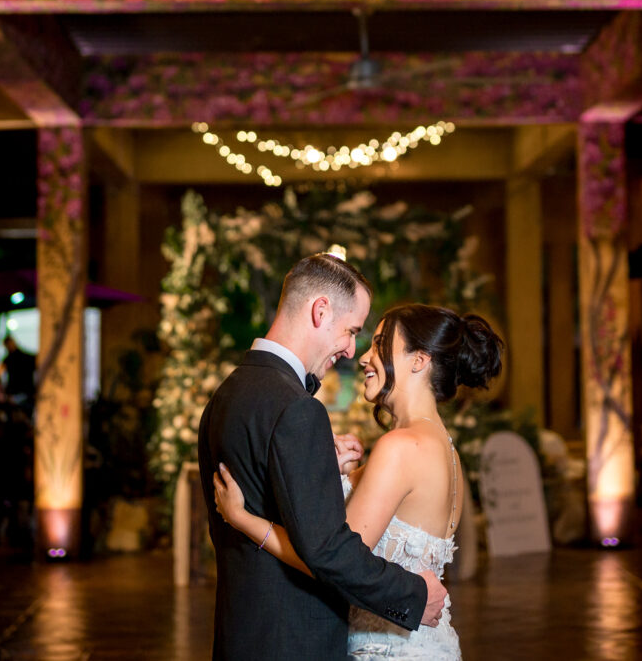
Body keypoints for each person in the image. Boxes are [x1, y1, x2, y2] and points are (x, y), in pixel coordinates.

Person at [215, 303, 504, 661]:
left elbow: (332, 561)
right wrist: (332, 471)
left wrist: (243, 519)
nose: (364, 357)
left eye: (380, 345)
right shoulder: (447, 451)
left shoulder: (400, 448)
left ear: (419, 360)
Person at [196, 253, 447, 660]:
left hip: (240, 634)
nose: (351, 350)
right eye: (351, 331)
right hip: (293, 641)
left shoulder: (226, 395)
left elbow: (270, 490)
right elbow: (326, 549)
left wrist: (319, 469)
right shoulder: (297, 407)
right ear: (320, 310)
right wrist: (414, 595)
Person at [0, 333, 37, 404]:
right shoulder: (28, 357)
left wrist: (0, 391)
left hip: (14, 393)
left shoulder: (8, 360)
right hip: (27, 393)